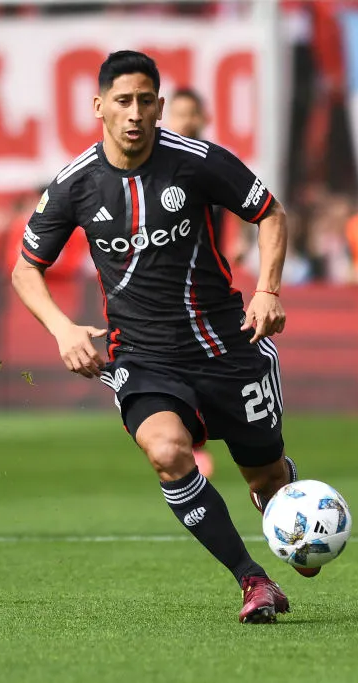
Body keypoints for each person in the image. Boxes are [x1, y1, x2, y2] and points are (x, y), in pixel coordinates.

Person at [11, 51, 303, 625]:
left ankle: (281, 490)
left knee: (267, 484)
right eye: (123, 101)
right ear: (99, 107)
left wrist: (268, 290)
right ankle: (253, 580)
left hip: (227, 346)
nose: (135, 113)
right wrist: (63, 329)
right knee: (168, 452)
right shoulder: (75, 185)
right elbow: (26, 269)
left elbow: (270, 214)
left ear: (160, 106)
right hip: (143, 357)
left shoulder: (195, 161)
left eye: (146, 100)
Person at [163, 88, 216, 479]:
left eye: (192, 113)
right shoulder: (159, 169)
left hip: (210, 288)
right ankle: (188, 444)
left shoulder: (215, 166)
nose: (186, 121)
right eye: (179, 113)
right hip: (168, 291)